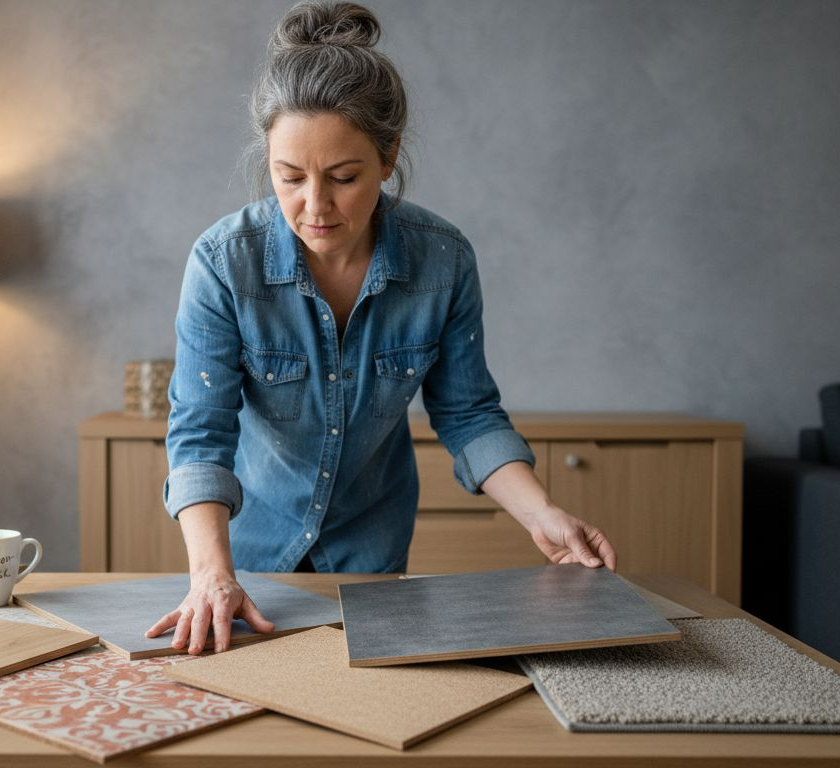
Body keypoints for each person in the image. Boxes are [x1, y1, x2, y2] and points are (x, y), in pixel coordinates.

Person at [145, 1, 617, 655]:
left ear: (389, 154)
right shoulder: (225, 263)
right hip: (244, 556)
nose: (315, 205)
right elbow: (201, 436)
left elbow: (469, 414)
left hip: (374, 551)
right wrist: (210, 574)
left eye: (343, 177)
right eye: (289, 177)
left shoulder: (442, 259)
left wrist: (544, 515)